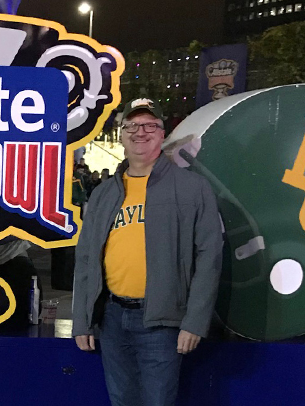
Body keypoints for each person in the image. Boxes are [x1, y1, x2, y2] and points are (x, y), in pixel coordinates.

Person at [72, 98, 222, 406]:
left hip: (162, 322)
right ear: (122, 134)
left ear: (162, 132)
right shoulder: (103, 192)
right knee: (121, 402)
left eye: (150, 125)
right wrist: (82, 319)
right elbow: (86, 259)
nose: (141, 132)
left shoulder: (193, 187)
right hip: (112, 318)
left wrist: (194, 321)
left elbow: (209, 258)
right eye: (132, 126)